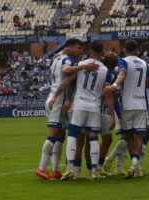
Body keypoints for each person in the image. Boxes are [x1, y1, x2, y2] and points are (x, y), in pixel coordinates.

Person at [35, 39, 98, 180]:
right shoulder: (68, 60)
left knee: (60, 136)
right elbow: (66, 70)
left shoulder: (57, 58)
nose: (81, 51)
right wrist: (84, 66)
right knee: (53, 134)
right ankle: (41, 168)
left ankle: (56, 170)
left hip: (55, 98)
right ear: (69, 48)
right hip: (58, 102)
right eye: (78, 48)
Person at [52, 41, 116, 180]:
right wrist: (112, 116)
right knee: (93, 138)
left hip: (80, 104)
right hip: (94, 106)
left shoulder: (80, 65)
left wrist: (64, 98)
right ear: (101, 52)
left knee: (73, 136)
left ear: (90, 50)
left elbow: (70, 82)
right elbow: (108, 94)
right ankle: (93, 171)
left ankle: (70, 168)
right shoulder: (105, 70)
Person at [104, 40, 149, 179]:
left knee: (129, 137)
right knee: (139, 137)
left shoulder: (123, 61)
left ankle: (134, 166)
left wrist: (114, 85)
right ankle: (136, 166)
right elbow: (147, 85)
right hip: (141, 104)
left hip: (127, 104)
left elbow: (122, 75)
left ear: (124, 50)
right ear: (137, 50)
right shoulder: (144, 64)